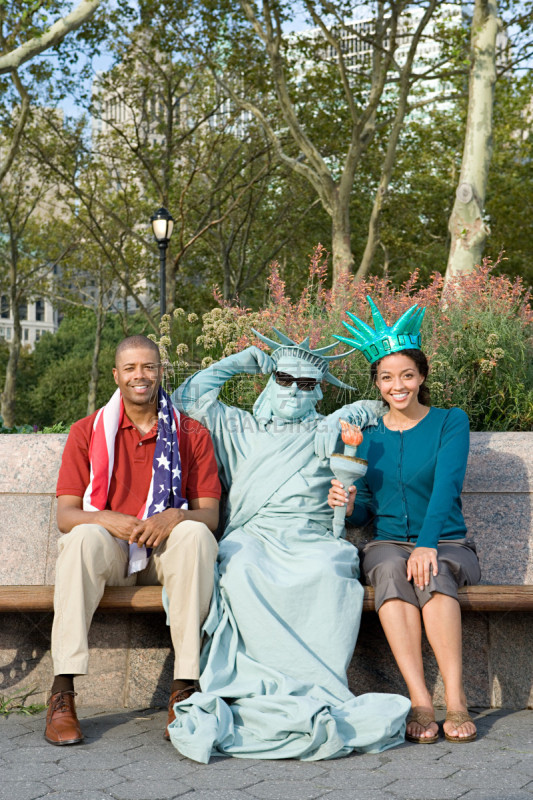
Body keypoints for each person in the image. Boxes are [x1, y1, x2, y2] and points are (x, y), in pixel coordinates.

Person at [167, 330, 410, 763]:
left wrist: (357, 408)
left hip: (313, 537)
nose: (295, 391)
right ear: (268, 381)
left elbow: (387, 407)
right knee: (240, 571)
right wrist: (239, 361)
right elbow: (187, 398)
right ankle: (255, 688)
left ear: (319, 392)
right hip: (255, 535)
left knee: (330, 569)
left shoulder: (330, 427)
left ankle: (317, 687)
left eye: (307, 385)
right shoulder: (238, 425)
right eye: (284, 379)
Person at [45, 335, 220, 746]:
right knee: (83, 536)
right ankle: (62, 692)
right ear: (116, 375)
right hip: (113, 553)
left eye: (148, 367)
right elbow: (66, 515)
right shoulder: (87, 431)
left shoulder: (190, 434)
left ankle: (185, 688)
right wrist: (106, 519)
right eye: (130, 368)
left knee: (194, 532)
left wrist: (175, 515)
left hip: (166, 555)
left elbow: (210, 515)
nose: (139, 376)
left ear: (160, 372)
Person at [329, 297, 481, 744]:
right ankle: (420, 700)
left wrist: (429, 544)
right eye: (387, 377)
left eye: (407, 375)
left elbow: (446, 488)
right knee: (393, 570)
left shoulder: (451, 422)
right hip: (389, 543)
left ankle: (455, 699)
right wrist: (347, 501)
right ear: (377, 383)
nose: (398, 385)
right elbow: (366, 511)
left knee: (431, 571)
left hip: (448, 540)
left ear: (422, 377)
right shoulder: (369, 439)